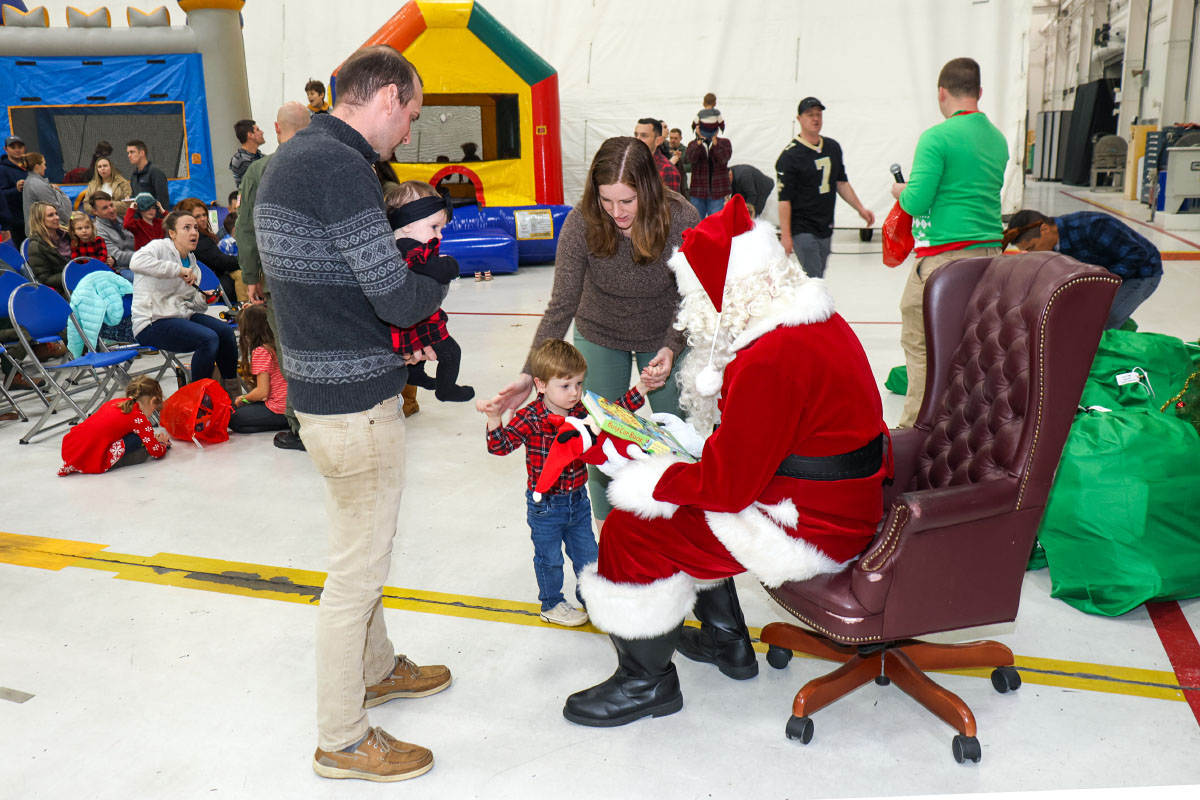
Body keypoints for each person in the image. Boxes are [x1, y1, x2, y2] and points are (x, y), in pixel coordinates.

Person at [561, 194, 889, 728]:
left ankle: (645, 683)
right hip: (837, 499)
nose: (690, 312)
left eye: (694, 297)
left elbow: (728, 491)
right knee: (688, 507)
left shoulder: (768, 359)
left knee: (632, 527)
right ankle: (726, 640)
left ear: (725, 294)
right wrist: (691, 452)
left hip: (808, 524)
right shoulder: (814, 323)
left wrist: (649, 476)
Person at [256, 45, 456, 783]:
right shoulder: (342, 168)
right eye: (411, 114)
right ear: (386, 98)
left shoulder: (295, 158)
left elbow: (331, 285)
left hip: (322, 388)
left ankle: (375, 668)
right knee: (357, 574)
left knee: (360, 552)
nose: (408, 131)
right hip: (353, 406)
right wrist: (438, 273)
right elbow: (396, 296)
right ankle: (341, 739)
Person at [492, 136, 698, 528]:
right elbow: (562, 304)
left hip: (665, 334)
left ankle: (682, 528)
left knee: (678, 434)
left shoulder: (681, 218)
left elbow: (694, 297)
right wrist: (529, 373)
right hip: (600, 332)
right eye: (607, 200)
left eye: (627, 201)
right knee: (598, 439)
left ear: (649, 191)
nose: (617, 212)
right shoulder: (581, 221)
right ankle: (609, 536)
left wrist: (673, 346)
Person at [480, 339, 649, 627]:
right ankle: (551, 604)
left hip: (578, 501)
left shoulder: (580, 410)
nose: (574, 392)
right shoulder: (530, 417)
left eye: (579, 384)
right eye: (566, 385)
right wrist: (495, 418)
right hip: (545, 506)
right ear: (541, 385)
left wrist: (642, 388)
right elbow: (500, 446)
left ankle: (592, 599)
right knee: (549, 559)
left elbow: (612, 414)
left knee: (589, 556)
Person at [891, 57, 1008, 428]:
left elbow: (916, 201)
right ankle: (967, 423)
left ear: (942, 92)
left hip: (944, 260)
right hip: (991, 258)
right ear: (979, 92)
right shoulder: (997, 139)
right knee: (970, 345)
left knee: (920, 341)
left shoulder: (936, 138)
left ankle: (917, 428)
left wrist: (901, 191)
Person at [234, 101, 310, 448]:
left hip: (281, 278)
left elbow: (247, 227)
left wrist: (251, 275)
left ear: (277, 128)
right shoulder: (325, 163)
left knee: (290, 352)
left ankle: (301, 427)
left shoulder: (260, 170)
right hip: (327, 277)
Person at [130, 210, 240, 398]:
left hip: (180, 316)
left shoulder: (193, 263)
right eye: (187, 228)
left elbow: (193, 305)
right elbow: (135, 262)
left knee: (225, 332)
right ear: (172, 233)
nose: (194, 232)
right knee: (208, 338)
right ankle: (198, 399)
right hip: (151, 321)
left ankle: (231, 395)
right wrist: (177, 270)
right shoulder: (159, 247)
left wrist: (203, 299)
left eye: (195, 228)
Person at [384, 181, 474, 403]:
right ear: (407, 225)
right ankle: (446, 389)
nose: (439, 236)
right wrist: (451, 264)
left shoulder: (398, 245)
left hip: (413, 319)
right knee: (451, 353)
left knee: (418, 350)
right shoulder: (407, 248)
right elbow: (438, 271)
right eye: (434, 227)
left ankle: (415, 375)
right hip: (420, 322)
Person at [1004, 209, 1163, 329]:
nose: (1032, 254)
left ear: (1045, 229)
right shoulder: (1051, 244)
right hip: (1101, 276)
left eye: (1032, 248)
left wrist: (1100, 285)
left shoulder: (1093, 226)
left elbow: (1137, 253)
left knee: (1103, 319)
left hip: (1141, 273)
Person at [775, 97, 875, 278]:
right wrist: (786, 235)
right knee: (815, 277)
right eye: (810, 115)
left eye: (818, 114)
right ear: (799, 119)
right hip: (802, 228)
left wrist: (860, 209)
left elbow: (841, 183)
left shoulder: (832, 147)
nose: (815, 119)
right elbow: (784, 200)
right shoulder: (790, 156)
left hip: (825, 225)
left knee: (818, 274)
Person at [57, 376, 170, 476]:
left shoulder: (116, 402)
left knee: (137, 436)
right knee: (137, 440)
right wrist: (162, 444)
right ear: (152, 401)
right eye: (154, 409)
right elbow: (156, 452)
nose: (151, 414)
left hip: (72, 450)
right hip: (94, 460)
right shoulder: (139, 418)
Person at [229, 303, 289, 433]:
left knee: (233, 418)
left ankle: (283, 423)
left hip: (279, 408)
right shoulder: (278, 344)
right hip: (291, 405)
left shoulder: (262, 351)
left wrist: (244, 398)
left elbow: (262, 392)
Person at [176, 197, 244, 303]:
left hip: (205, 284)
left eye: (204, 215)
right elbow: (221, 261)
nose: (203, 219)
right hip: (210, 287)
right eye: (197, 216)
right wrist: (246, 261)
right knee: (243, 274)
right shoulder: (198, 240)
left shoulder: (196, 237)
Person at [685, 121, 731, 219]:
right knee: (695, 221)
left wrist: (715, 142)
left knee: (716, 222)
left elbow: (723, 159)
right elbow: (691, 159)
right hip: (698, 190)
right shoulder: (693, 144)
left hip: (718, 191)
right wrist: (699, 140)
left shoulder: (724, 142)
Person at [24, 201, 71, 292]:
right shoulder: (36, 245)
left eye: (56, 214)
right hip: (64, 288)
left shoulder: (69, 234)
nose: (57, 217)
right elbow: (45, 279)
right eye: (50, 215)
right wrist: (71, 275)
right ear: (39, 220)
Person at [20, 153, 72, 226]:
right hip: (43, 229)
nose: (45, 167)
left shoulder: (31, 182)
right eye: (44, 164)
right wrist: (69, 220)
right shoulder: (38, 184)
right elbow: (54, 206)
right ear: (37, 166)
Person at [91, 191, 137, 269]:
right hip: (121, 269)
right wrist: (144, 255)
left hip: (139, 262)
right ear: (95, 212)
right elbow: (117, 257)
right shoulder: (98, 231)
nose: (111, 210)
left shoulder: (122, 219)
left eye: (111, 205)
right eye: (105, 208)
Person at [633, 118, 681, 192]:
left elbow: (669, 199)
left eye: (644, 136)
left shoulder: (667, 170)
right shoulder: (633, 163)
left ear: (658, 141)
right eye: (636, 135)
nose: (638, 139)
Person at [126, 140, 170, 208]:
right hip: (139, 214)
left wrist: (150, 211)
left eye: (132, 152)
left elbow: (163, 201)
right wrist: (130, 198)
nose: (129, 155)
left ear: (142, 153)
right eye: (128, 153)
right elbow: (137, 197)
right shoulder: (134, 175)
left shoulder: (155, 172)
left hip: (154, 214)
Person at [0, 135, 27, 243]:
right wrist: (15, 189)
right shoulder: (2, 170)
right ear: (5, 149)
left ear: (24, 148)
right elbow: (2, 195)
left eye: (20, 147)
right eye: (13, 147)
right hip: (15, 224)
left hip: (32, 220)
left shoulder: (30, 167)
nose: (17, 150)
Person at [229, 119, 266, 187]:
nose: (262, 132)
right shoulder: (239, 159)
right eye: (258, 130)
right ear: (250, 135)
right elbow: (265, 178)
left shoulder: (261, 156)